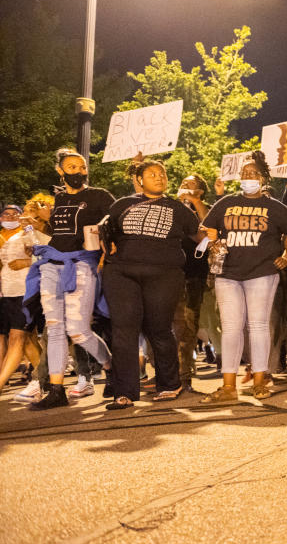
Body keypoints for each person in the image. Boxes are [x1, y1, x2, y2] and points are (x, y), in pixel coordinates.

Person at [101, 161, 207, 409]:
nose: (159, 177)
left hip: (164, 274)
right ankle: (124, 392)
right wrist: (108, 245)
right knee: (124, 330)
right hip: (121, 273)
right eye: (151, 174)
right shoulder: (121, 205)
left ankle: (170, 384)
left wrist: (212, 239)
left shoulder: (178, 209)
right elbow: (105, 232)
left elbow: (199, 236)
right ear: (139, 180)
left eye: (162, 174)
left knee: (159, 329)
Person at [202, 151, 287, 402]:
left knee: (258, 327)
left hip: (262, 273)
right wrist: (212, 243)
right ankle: (228, 387)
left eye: (253, 173)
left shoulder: (274, 207)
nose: (248, 176)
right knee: (231, 328)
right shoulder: (225, 203)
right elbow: (208, 228)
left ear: (263, 178)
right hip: (228, 274)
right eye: (244, 173)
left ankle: (259, 381)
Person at [27, 149, 115, 410]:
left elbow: (115, 220)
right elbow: (63, 232)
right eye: (71, 167)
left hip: (81, 264)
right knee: (54, 328)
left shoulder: (98, 196)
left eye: (81, 166)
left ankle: (111, 368)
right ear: (60, 171)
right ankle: (56, 390)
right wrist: (47, 220)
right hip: (51, 265)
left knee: (78, 330)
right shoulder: (60, 199)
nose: (78, 171)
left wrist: (106, 247)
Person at [0, 205, 49, 395]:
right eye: (6, 213)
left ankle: (2, 381)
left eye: (16, 213)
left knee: (17, 338)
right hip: (9, 292)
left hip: (26, 290)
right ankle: (44, 381)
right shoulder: (7, 237)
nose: (11, 216)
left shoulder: (27, 231)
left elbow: (44, 251)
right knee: (27, 340)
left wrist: (26, 262)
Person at [173, 173, 210, 393]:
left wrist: (195, 202)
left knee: (186, 326)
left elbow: (209, 232)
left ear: (201, 191)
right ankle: (167, 373)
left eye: (191, 185)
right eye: (183, 184)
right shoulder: (170, 207)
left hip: (193, 275)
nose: (185, 187)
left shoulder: (206, 208)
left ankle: (184, 377)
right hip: (168, 272)